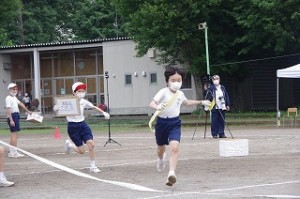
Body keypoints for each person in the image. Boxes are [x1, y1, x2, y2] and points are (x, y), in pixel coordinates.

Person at [149, 66, 211, 186]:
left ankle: (171, 173)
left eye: (179, 80)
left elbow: (186, 102)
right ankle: (161, 159)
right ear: (167, 81)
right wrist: (157, 107)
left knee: (174, 148)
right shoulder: (163, 92)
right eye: (173, 80)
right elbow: (152, 103)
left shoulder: (180, 94)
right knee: (160, 148)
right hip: (161, 123)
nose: (176, 83)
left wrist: (201, 102)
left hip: (174, 123)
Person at [53, 82, 110, 173]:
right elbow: (58, 108)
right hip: (72, 127)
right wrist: (56, 108)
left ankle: (93, 166)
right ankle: (70, 145)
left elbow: (93, 106)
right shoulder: (67, 102)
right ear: (74, 92)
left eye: (83, 91)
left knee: (91, 144)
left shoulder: (83, 102)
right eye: (79, 91)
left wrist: (103, 113)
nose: (81, 93)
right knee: (81, 151)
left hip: (83, 125)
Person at [5, 83, 32, 158]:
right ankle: (14, 152)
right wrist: (11, 120)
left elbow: (21, 104)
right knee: (14, 135)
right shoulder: (8, 98)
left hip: (15, 115)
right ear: (9, 90)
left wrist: (28, 111)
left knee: (14, 135)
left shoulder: (14, 98)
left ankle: (12, 151)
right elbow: (8, 109)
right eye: (13, 89)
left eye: (16, 89)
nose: (15, 90)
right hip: (13, 116)